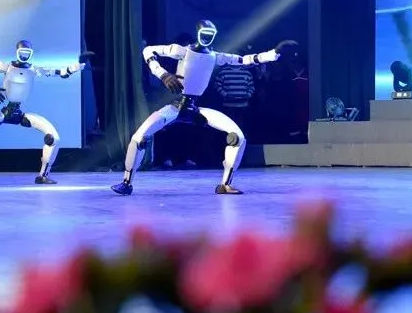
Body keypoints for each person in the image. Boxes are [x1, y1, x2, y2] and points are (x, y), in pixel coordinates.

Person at [112, 20, 296, 195]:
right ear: (198, 33)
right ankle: (126, 182)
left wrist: (274, 53)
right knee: (139, 137)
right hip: (177, 106)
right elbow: (148, 50)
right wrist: (163, 74)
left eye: (210, 34)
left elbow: (246, 60)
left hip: (196, 108)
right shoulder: (181, 51)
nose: (207, 37)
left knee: (238, 137)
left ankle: (225, 184)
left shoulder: (215, 57)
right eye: (204, 33)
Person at [0, 40, 84, 185]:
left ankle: (43, 175)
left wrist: (78, 66)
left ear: (31, 54)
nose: (24, 56)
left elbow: (61, 72)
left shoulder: (34, 70)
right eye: (22, 53)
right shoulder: (6, 67)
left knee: (53, 138)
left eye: (27, 53)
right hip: (3, 112)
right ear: (17, 52)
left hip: (20, 114)